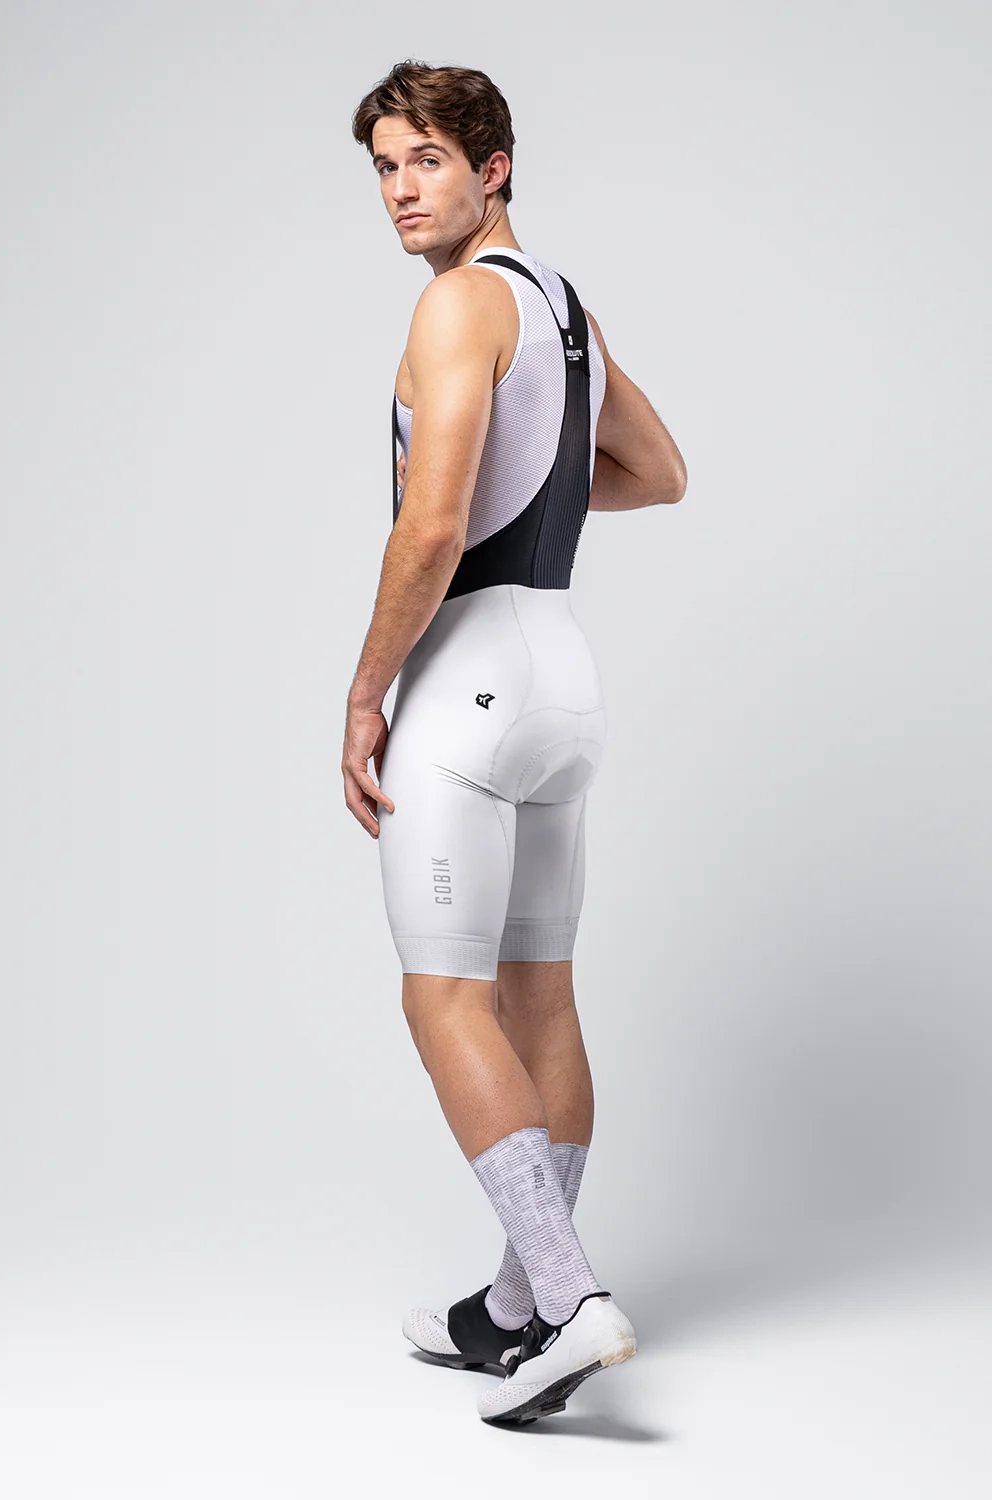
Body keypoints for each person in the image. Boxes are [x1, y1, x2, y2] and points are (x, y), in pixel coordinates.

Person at [342, 59, 687, 1426]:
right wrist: (534, 487)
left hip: (470, 681)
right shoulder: (566, 312)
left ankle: (574, 1297)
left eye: (424, 160)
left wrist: (365, 693)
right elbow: (658, 472)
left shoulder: (456, 305)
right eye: (384, 166)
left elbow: (431, 529)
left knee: (444, 999)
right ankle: (518, 1305)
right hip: (564, 675)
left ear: (493, 169)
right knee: (541, 993)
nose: (399, 190)